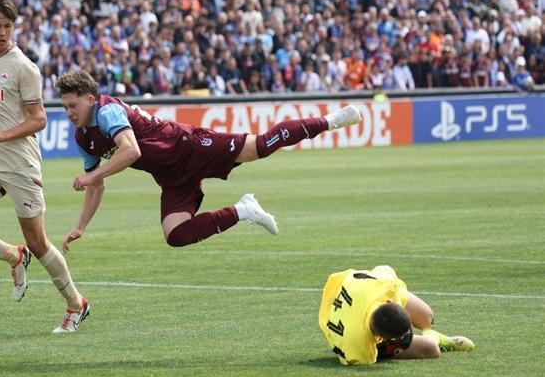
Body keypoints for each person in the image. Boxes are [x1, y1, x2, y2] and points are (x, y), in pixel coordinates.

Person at [56, 70, 362, 250]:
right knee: (176, 235)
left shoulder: (107, 111)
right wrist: (81, 225)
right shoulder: (84, 137)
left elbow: (131, 151)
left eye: (73, 106)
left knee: (260, 146)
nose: (69, 113)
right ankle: (243, 210)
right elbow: (97, 187)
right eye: (65, 107)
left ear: (90, 99)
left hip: (189, 147)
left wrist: (90, 177)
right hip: (172, 176)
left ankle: (330, 120)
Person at [0, 0, 89, 333]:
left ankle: (75, 303)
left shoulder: (24, 67)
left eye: (8, 26)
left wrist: (5, 133)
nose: (3, 32)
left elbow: (39, 120)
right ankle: (12, 255)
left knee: (39, 242)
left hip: (21, 165)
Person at [319, 265, 475, 366]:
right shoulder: (361, 350)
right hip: (333, 311)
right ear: (382, 339)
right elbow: (361, 357)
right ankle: (437, 338)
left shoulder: (385, 285)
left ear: (388, 302)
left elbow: (384, 268)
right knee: (431, 348)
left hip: (346, 289)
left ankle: (429, 331)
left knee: (427, 317)